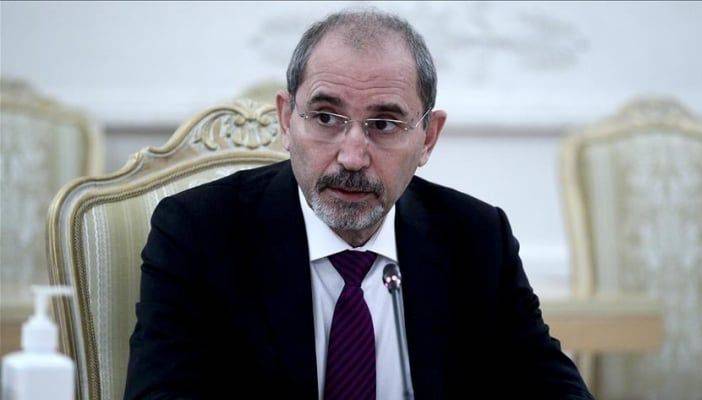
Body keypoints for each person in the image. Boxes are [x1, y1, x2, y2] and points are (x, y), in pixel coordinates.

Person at [124, 9, 594, 400]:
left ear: (428, 138)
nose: (351, 156)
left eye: (384, 124)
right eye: (326, 118)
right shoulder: (198, 233)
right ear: (287, 120)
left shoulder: (476, 238)